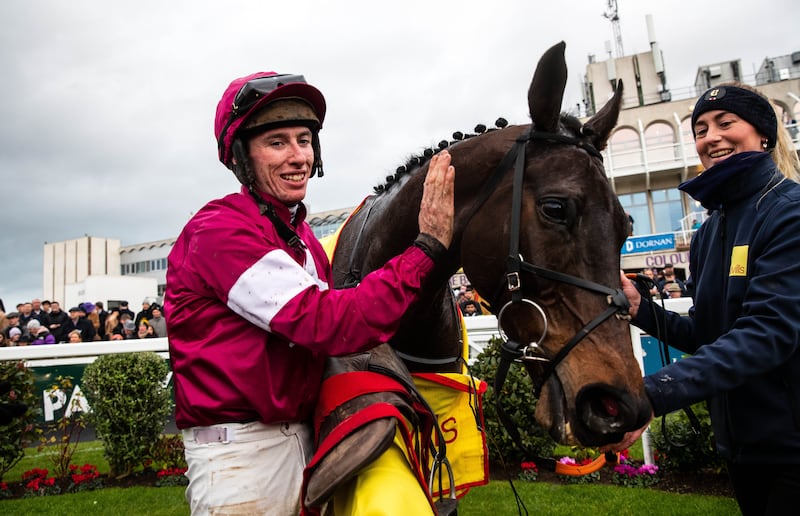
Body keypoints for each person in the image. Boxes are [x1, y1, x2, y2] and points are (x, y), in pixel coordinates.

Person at [165, 71, 455, 516]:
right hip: (242, 460)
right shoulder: (220, 230)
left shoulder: (301, 239)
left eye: (305, 140)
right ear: (240, 156)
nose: (298, 156)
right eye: (277, 142)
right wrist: (426, 249)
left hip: (303, 440)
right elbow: (329, 322)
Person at [607, 83, 800, 515]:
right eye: (700, 129)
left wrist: (653, 395)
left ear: (763, 134)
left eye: (725, 123)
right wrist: (642, 310)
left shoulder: (790, 211)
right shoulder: (709, 231)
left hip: (792, 448)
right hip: (742, 448)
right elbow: (710, 335)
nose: (710, 136)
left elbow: (766, 334)